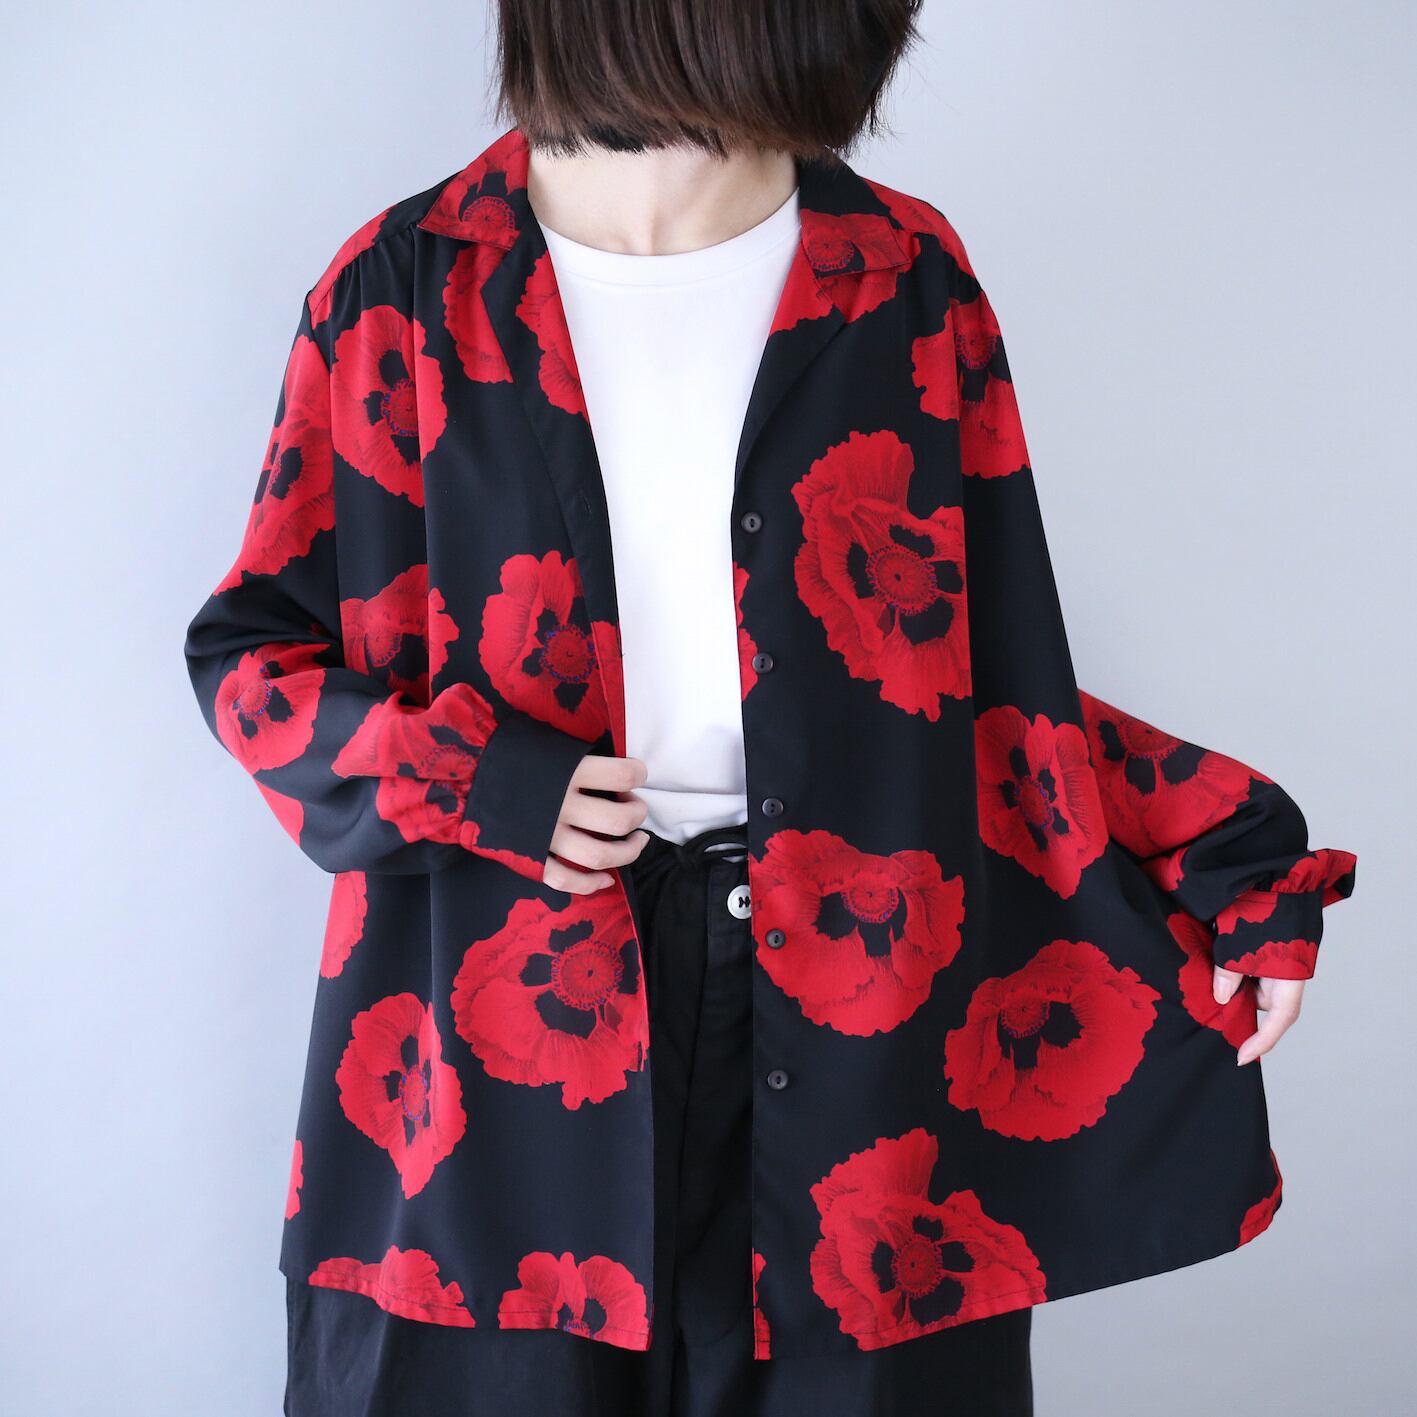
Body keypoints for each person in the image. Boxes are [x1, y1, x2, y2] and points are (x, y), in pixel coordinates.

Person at [182, 3, 1357, 1414]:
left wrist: (1223, 847)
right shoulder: (404, 289)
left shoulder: (904, 279)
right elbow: (253, 658)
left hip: (860, 1038)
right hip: (493, 1061)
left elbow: (985, 686)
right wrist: (479, 781)